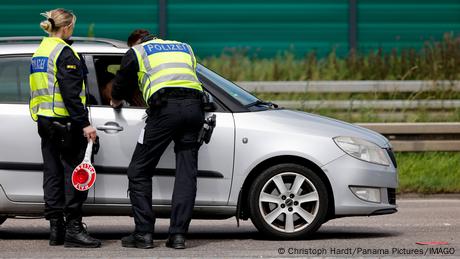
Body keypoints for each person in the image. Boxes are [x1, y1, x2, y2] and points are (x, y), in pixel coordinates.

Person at [111, 30, 205, 249]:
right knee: (186, 172)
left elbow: (122, 81)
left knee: (139, 170)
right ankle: (178, 236)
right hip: (195, 109)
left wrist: (116, 100)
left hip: (165, 110)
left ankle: (143, 234)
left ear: (135, 43)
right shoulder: (184, 47)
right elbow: (189, 77)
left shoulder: (138, 51)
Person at [29, 8, 101, 248]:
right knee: (75, 175)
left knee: (52, 175)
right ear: (67, 27)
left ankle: (55, 229)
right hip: (66, 123)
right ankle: (73, 228)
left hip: (45, 122)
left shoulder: (40, 51)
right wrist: (86, 124)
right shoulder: (65, 53)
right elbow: (71, 95)